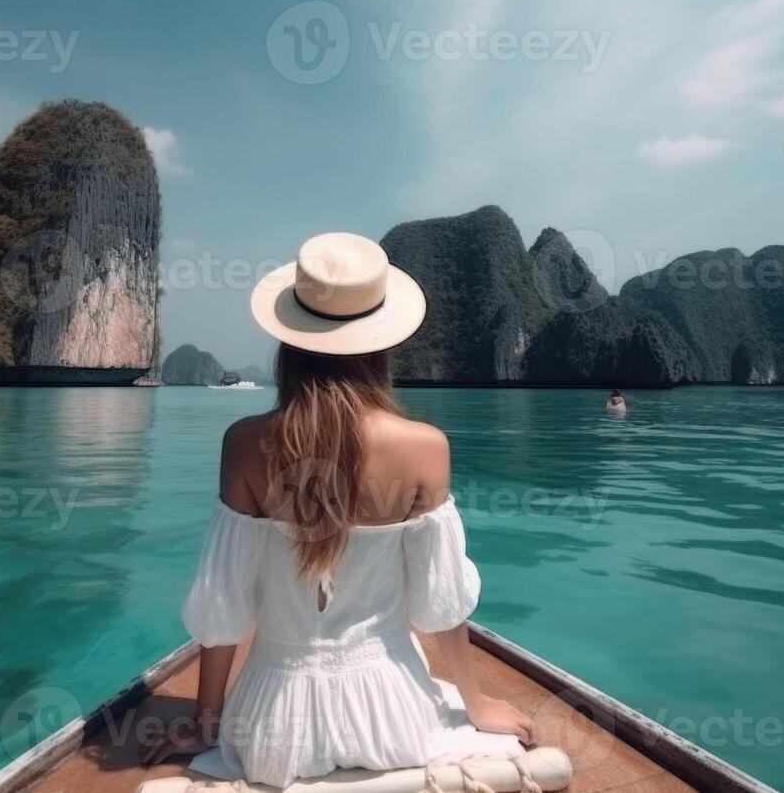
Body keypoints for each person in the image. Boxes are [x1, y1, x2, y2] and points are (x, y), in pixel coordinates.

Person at [137, 232, 533, 787]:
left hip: (271, 727)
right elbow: (440, 604)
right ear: (380, 344)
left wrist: (206, 723)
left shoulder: (244, 443)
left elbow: (221, 602)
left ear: (288, 344)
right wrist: (475, 704)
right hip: (393, 718)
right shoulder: (425, 447)